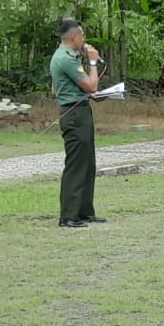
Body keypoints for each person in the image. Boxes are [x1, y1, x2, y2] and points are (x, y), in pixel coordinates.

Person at [48, 18, 104, 228]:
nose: (84, 40)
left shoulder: (64, 56)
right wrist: (92, 63)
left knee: (87, 163)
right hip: (74, 114)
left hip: (80, 110)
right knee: (76, 165)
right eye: (82, 36)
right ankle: (68, 216)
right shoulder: (66, 59)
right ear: (74, 37)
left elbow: (55, 88)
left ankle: (84, 211)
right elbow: (91, 86)